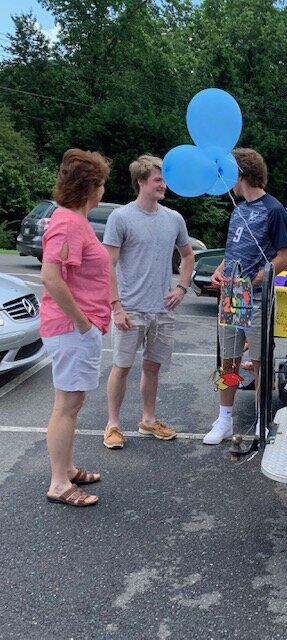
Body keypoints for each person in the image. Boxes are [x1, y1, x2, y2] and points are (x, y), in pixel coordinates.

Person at [102, 154, 194, 449]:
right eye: (158, 179)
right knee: (122, 366)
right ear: (141, 182)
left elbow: (188, 255)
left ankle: (148, 420)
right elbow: (108, 265)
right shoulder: (121, 217)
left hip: (162, 309)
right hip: (130, 308)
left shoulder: (173, 218)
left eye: (164, 180)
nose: (163, 185)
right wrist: (115, 306)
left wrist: (181, 287)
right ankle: (113, 425)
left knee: (152, 367)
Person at [203, 148, 287, 445]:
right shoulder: (237, 209)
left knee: (259, 361)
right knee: (227, 360)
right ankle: (224, 418)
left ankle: (262, 419)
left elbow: (285, 257)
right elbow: (233, 253)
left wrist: (259, 276)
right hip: (232, 293)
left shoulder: (275, 209)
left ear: (240, 173)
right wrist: (219, 269)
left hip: (256, 296)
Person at [41, 148, 111, 507]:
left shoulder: (74, 220)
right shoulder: (68, 221)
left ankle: (66, 468)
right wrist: (83, 323)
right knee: (67, 405)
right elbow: (51, 276)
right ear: (90, 187)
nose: (104, 190)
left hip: (77, 330)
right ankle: (58, 483)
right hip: (72, 330)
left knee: (71, 402)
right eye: (101, 184)